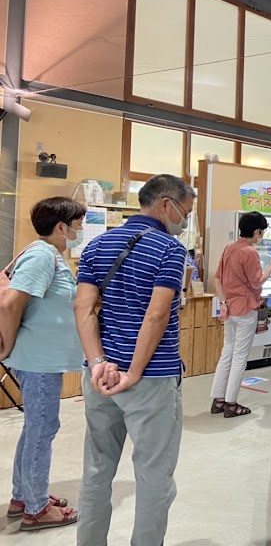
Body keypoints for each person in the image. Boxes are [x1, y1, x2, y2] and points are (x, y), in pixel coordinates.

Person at [73, 174, 195, 546]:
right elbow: (157, 316)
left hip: (100, 377)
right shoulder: (170, 251)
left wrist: (97, 363)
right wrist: (134, 372)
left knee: (96, 470)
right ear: (165, 205)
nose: (185, 220)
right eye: (185, 212)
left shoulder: (96, 247)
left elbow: (84, 308)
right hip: (151, 379)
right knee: (154, 476)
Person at [0, 197, 85, 531]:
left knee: (36, 427)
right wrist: (6, 347)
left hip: (41, 359)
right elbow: (10, 304)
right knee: (42, 429)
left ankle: (25, 496)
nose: (80, 230)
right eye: (77, 224)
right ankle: (36, 508)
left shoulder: (48, 255)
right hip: (36, 361)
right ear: (61, 227)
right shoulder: (40, 255)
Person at [211, 212, 271, 418]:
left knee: (227, 353)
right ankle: (231, 403)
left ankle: (218, 399)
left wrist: (223, 303)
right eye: (261, 232)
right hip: (245, 309)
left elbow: (217, 279)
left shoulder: (229, 248)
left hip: (229, 308)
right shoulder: (250, 253)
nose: (261, 236)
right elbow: (256, 282)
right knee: (240, 356)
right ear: (257, 231)